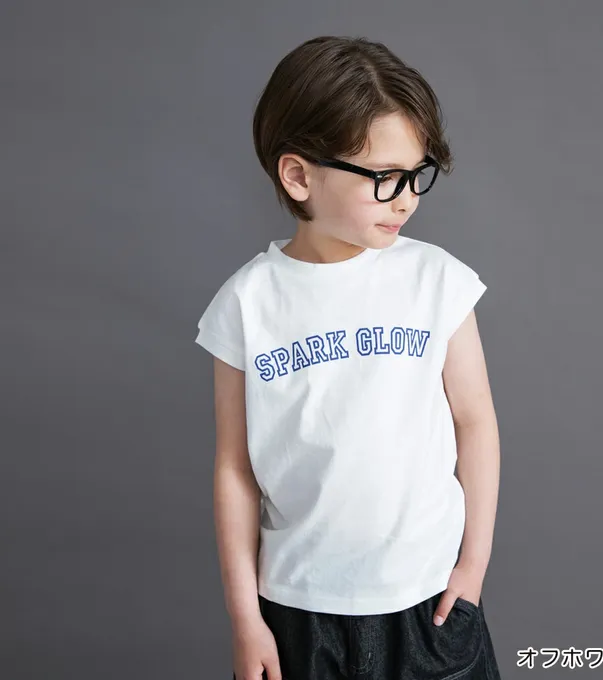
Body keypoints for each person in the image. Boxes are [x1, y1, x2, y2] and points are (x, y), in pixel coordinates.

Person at [195, 35, 502, 680]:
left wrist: (472, 569)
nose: (407, 198)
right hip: (300, 613)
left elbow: (474, 422)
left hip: (431, 603)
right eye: (384, 178)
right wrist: (245, 617)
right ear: (299, 175)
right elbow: (235, 469)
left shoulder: (436, 282)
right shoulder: (247, 304)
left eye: (416, 174)